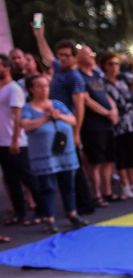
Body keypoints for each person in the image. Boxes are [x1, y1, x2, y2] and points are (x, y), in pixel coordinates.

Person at [20, 74, 87, 232]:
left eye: (46, 86)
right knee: (47, 187)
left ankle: (72, 213)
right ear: (31, 89)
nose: (44, 89)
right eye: (40, 86)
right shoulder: (28, 108)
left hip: (65, 152)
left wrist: (59, 116)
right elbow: (26, 125)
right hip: (44, 156)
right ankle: (49, 218)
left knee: (68, 184)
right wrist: (45, 118)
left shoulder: (57, 104)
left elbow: (73, 120)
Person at [99, 52, 133, 201]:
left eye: (116, 64)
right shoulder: (102, 83)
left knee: (131, 151)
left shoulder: (124, 79)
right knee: (121, 153)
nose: (114, 67)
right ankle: (125, 184)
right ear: (104, 66)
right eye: (110, 64)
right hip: (117, 121)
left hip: (130, 120)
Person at [77, 45, 117, 206]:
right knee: (95, 162)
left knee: (108, 159)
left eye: (92, 53)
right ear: (79, 57)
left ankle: (108, 191)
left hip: (106, 123)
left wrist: (113, 109)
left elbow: (106, 94)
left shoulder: (95, 74)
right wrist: (106, 112)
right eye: (87, 54)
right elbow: (86, 100)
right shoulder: (79, 76)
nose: (91, 56)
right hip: (92, 124)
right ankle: (97, 194)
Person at [0, 54, 34, 227]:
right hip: (2, 142)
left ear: (6, 68)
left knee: (27, 178)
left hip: (15, 142)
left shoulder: (14, 89)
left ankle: (43, 210)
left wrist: (14, 140)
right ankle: (20, 213)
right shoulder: (1, 89)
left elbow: (17, 117)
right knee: (11, 180)